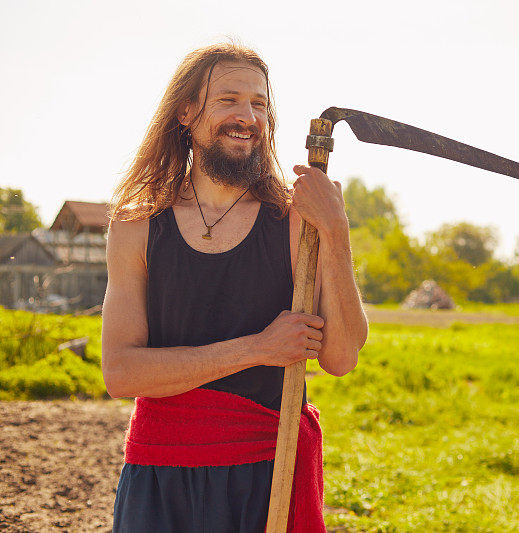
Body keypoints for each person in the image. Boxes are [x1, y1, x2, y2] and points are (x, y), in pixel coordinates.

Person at [101, 42, 368, 532]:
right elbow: (121, 373)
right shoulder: (137, 224)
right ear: (185, 111)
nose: (248, 116)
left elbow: (341, 357)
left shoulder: (293, 222)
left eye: (260, 104)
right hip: (160, 478)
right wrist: (259, 348)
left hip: (266, 476)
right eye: (228, 100)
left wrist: (335, 230)